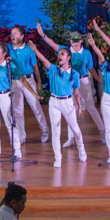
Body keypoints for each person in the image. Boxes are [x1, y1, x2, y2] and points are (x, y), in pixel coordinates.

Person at [0, 27, 48, 144]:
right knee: (17, 110)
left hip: (27, 80)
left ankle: (44, 130)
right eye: (11, 34)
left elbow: (35, 67)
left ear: (22, 36)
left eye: (15, 34)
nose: (12, 36)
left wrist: (38, 82)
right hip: (14, 81)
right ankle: (21, 136)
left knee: (35, 106)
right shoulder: (8, 48)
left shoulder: (29, 49)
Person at [37, 25, 105, 148]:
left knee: (90, 107)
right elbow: (52, 44)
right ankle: (71, 138)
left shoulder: (86, 53)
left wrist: (98, 79)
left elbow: (91, 68)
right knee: (70, 110)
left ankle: (103, 131)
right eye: (71, 38)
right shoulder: (65, 51)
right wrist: (43, 35)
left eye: (76, 38)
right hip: (68, 82)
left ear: (81, 40)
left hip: (82, 81)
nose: (73, 41)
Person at [28, 40, 87, 168]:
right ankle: (58, 157)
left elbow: (76, 93)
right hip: (54, 102)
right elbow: (44, 60)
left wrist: (80, 108)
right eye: (59, 54)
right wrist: (35, 50)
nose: (59, 56)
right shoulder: (54, 70)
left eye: (62, 54)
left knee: (75, 128)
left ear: (68, 58)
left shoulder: (74, 74)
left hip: (67, 102)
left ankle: (81, 148)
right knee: (56, 131)